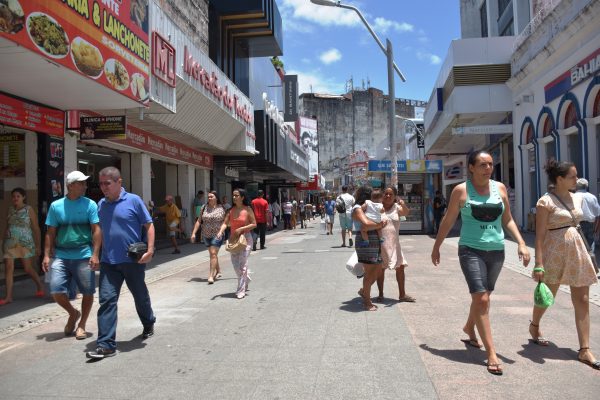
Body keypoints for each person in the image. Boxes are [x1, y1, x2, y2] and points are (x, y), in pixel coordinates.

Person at [430, 150, 530, 376]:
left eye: (490, 165)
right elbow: (448, 220)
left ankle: (469, 327)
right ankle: (491, 353)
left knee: (484, 296)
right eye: (483, 165)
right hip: (470, 250)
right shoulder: (461, 190)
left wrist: (522, 243)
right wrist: (437, 245)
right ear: (471, 168)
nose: (488, 169)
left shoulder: (500, 188)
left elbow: (508, 219)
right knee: (482, 298)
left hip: (496, 251)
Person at [530, 160, 599, 370]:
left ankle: (584, 349)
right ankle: (534, 326)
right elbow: (539, 236)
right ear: (559, 179)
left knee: (583, 298)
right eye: (572, 176)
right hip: (554, 254)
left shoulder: (577, 198)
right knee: (547, 297)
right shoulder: (545, 201)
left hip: (577, 251)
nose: (576, 180)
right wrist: (538, 263)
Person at [86, 167, 156, 359]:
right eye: (100, 183)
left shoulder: (133, 200)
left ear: (119, 182)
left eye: (107, 183)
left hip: (133, 261)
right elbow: (98, 230)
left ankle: (148, 320)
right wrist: (95, 254)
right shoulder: (101, 204)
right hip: (109, 262)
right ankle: (106, 345)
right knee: (107, 300)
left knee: (140, 296)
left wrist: (150, 250)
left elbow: (148, 225)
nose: (103, 187)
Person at [42, 171, 101, 340]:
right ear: (70, 186)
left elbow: (96, 230)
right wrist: (46, 255)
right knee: (56, 290)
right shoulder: (56, 206)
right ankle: (73, 313)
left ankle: (82, 324)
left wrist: (95, 254)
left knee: (88, 292)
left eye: (85, 183)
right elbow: (50, 232)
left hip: (83, 253)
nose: (85, 185)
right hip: (61, 255)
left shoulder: (90, 204)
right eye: (81, 183)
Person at [1, 188, 44, 305]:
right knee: (9, 268)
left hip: (25, 242)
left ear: (23, 197)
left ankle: (39, 285)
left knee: (27, 268)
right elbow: (7, 226)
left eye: (18, 196)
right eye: (13, 196)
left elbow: (36, 228)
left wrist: (38, 246)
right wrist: (3, 241)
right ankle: (8, 296)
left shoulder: (28, 209)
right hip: (10, 243)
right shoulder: (10, 209)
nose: (15, 198)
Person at [352, 186, 387, 311]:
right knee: (370, 272)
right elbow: (365, 225)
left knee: (378, 270)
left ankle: (364, 291)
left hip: (374, 241)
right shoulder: (357, 208)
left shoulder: (372, 208)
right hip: (366, 242)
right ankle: (367, 302)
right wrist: (380, 225)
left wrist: (378, 225)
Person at [217, 189, 256, 299]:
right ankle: (246, 278)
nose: (234, 197)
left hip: (246, 239)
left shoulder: (247, 209)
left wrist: (241, 229)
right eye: (233, 196)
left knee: (242, 265)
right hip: (234, 240)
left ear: (242, 197)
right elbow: (225, 223)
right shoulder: (230, 210)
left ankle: (241, 290)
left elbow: (254, 224)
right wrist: (220, 232)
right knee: (235, 265)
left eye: (236, 195)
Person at [376, 187, 413, 303]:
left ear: (395, 196)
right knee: (381, 269)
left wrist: (403, 204)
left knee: (400, 268)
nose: (387, 196)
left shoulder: (397, 207)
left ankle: (402, 295)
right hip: (381, 244)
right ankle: (380, 294)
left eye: (390, 194)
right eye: (385, 194)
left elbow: (406, 213)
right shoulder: (378, 207)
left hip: (395, 244)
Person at [191, 191, 225, 284]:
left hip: (217, 234)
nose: (209, 198)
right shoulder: (204, 207)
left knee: (213, 253)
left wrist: (221, 231)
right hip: (206, 235)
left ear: (216, 198)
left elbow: (226, 222)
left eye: (211, 197)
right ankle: (218, 271)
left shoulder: (222, 208)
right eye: (208, 197)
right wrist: (194, 233)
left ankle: (210, 276)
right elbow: (199, 221)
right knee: (212, 254)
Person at [575, 178, 600, 248]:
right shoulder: (592, 197)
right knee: (590, 248)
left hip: (576, 224)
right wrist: (597, 230)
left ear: (576, 186)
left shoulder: (573, 197)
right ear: (586, 186)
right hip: (590, 225)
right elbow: (598, 215)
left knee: (579, 248)